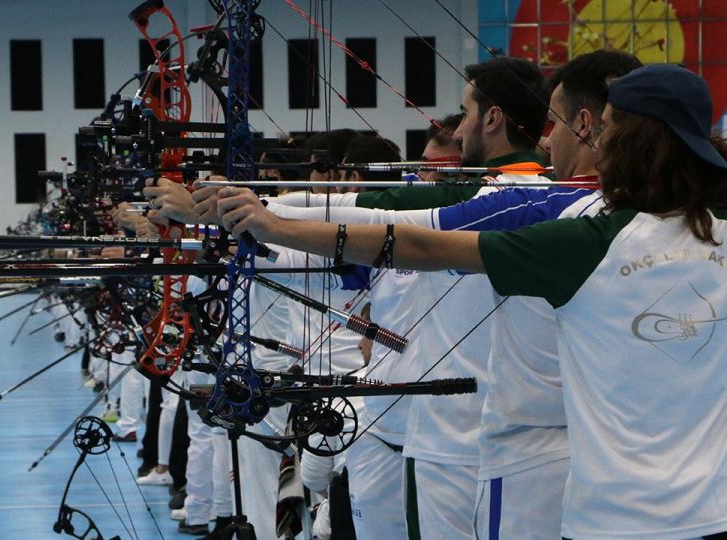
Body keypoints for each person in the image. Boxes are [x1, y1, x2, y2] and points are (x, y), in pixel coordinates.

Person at [216, 63, 727, 539]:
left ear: (631, 144)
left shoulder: (587, 243)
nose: (590, 141)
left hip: (611, 519)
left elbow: (422, 245)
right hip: (711, 513)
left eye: (609, 128)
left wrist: (273, 223)